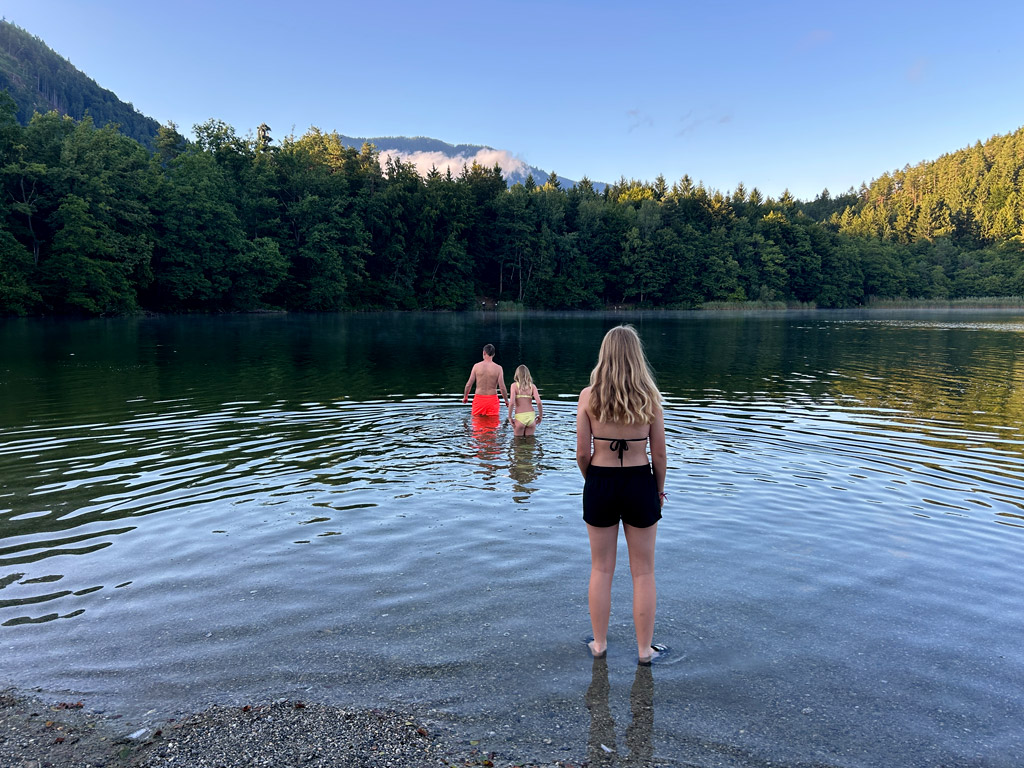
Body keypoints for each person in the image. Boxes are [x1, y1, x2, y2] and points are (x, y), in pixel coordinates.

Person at [576, 325, 667, 665]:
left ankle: (599, 645)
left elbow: (582, 454)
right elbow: (659, 455)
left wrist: (593, 480)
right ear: (636, 356)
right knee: (643, 572)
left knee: (601, 569)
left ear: (605, 355)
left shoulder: (589, 396)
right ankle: (644, 652)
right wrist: (657, 490)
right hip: (639, 482)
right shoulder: (650, 396)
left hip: (600, 481)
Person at [463, 343, 510, 419]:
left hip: (479, 399)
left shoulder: (476, 366)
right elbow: (502, 387)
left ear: (484, 353)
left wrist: (465, 397)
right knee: (493, 425)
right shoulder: (498, 368)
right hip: (492, 400)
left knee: (477, 425)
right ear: (493, 354)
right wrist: (506, 401)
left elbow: (469, 384)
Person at [509, 364, 543, 436]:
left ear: (517, 374)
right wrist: (540, 416)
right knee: (530, 443)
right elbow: (539, 402)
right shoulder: (532, 386)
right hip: (531, 417)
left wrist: (509, 417)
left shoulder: (514, 386)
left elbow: (511, 403)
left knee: (517, 443)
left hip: (520, 417)